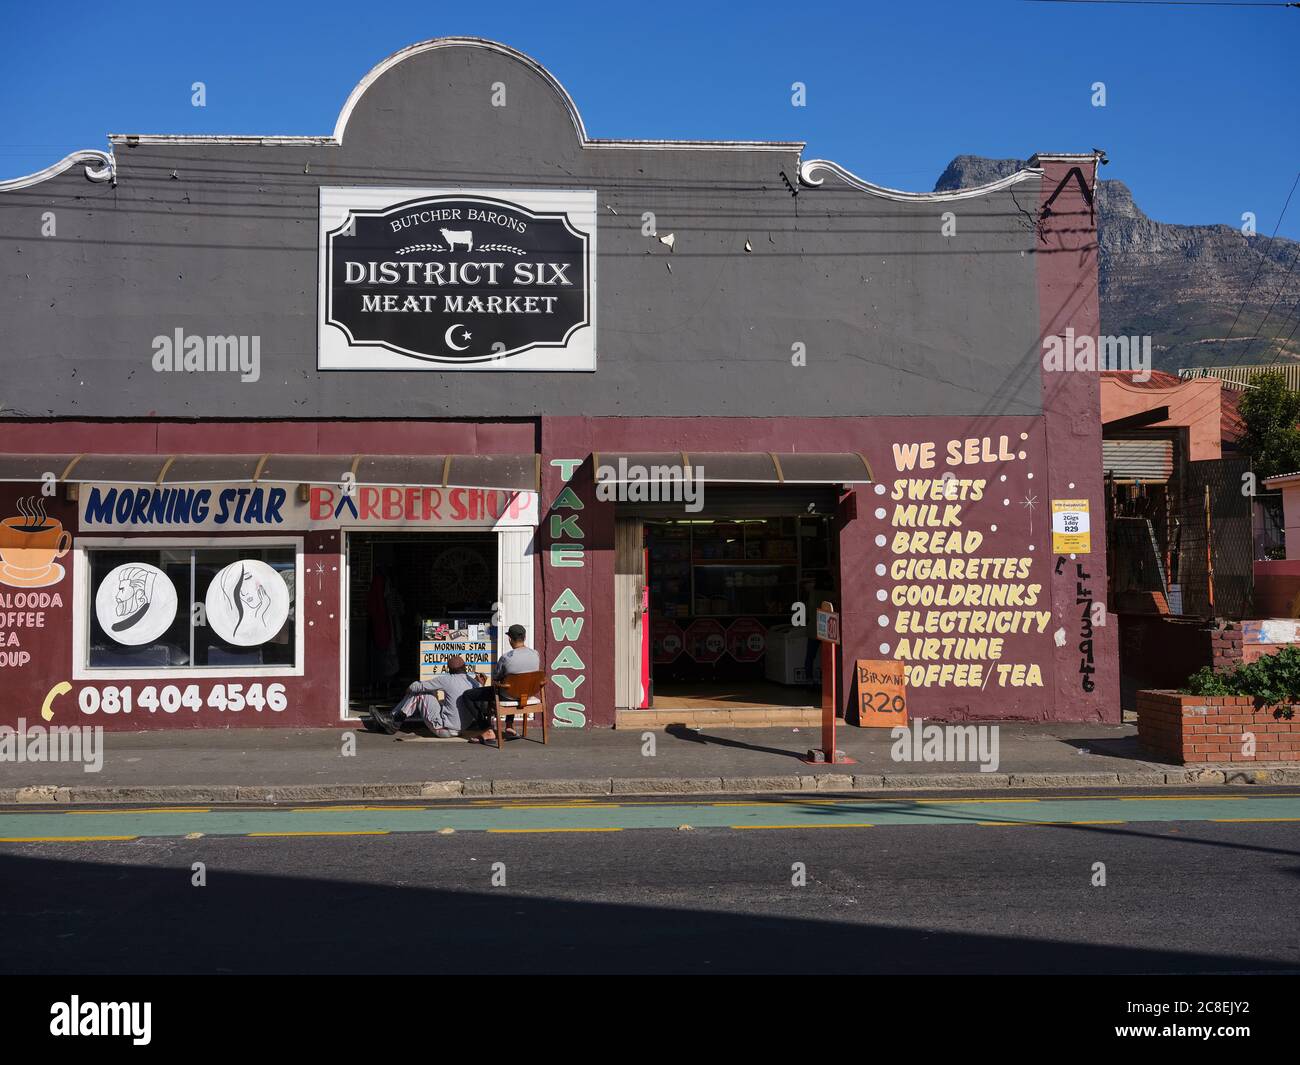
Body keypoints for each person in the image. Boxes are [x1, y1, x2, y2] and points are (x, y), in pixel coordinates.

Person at [460, 623, 541, 742]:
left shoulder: (506, 658)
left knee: (467, 695)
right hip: (527, 693)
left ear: (509, 639)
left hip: (508, 695)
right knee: (514, 686)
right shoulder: (535, 654)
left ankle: (487, 729)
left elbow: (496, 678)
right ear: (524, 637)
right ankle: (509, 726)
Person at [370, 654, 484, 738]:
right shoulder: (474, 682)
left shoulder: (447, 679)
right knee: (430, 692)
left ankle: (394, 722)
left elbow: (418, 687)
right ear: (465, 667)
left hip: (444, 728)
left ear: (449, 670)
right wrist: (480, 684)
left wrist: (409, 688)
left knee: (419, 694)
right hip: (462, 727)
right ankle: (390, 719)